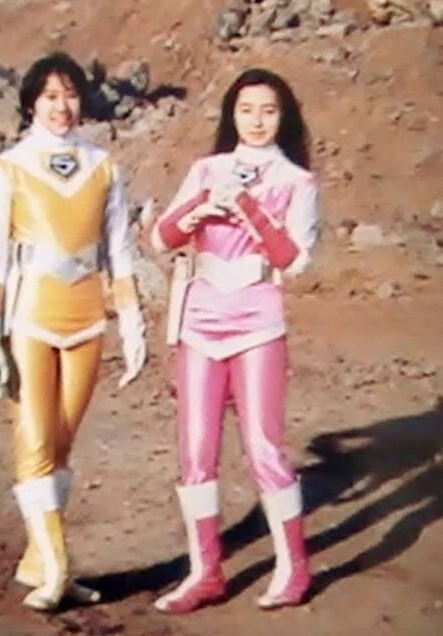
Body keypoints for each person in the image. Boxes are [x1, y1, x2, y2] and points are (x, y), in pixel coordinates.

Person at [0, 52, 146, 611]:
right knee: (36, 439)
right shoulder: (8, 169)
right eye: (50, 95)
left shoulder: (103, 166)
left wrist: (133, 321)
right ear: (31, 103)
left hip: (87, 318)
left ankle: (37, 558)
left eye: (69, 94)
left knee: (61, 442)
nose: (61, 106)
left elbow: (119, 250)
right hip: (28, 317)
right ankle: (58, 568)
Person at [149, 68, 319, 614]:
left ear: (284, 116)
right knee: (195, 451)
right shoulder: (207, 169)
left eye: (268, 110)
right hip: (200, 322)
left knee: (264, 447)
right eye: (246, 109)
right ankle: (206, 572)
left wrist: (249, 209)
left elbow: (294, 259)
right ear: (231, 115)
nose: (257, 120)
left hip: (258, 323)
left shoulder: (297, 180)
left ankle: (294, 568)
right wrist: (199, 206)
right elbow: (160, 237)